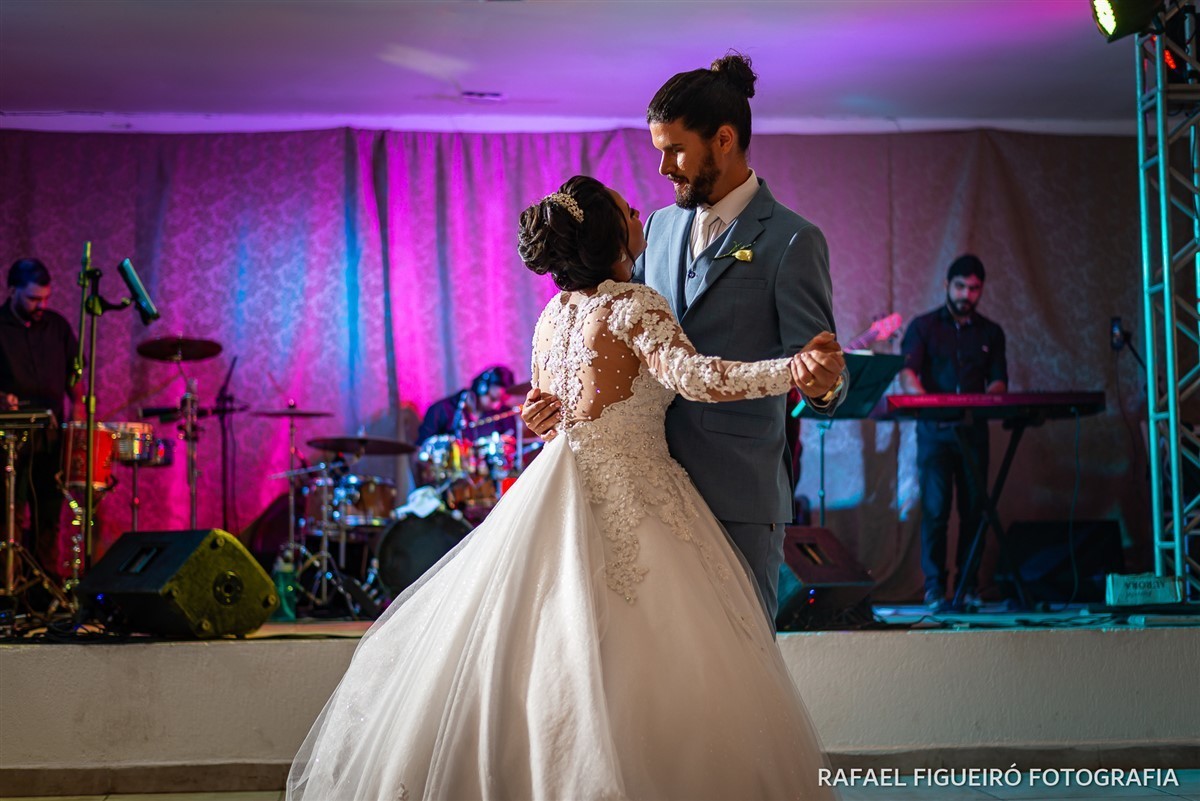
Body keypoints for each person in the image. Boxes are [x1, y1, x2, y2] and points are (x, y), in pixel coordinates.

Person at [287, 176, 835, 800]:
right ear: (609, 233)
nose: (641, 211)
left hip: (559, 483)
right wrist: (791, 369)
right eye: (628, 208)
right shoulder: (636, 306)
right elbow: (697, 378)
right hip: (636, 490)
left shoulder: (555, 312)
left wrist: (536, 411)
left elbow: (552, 402)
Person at [523, 53, 847, 623]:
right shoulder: (656, 227)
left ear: (723, 139)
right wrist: (557, 403)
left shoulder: (794, 241)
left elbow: (822, 369)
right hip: (647, 494)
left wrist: (820, 384)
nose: (663, 168)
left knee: (739, 669)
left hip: (738, 496)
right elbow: (622, 339)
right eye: (659, 152)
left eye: (674, 149)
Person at [898, 254, 1007, 612]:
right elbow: (907, 374)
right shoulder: (924, 327)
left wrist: (982, 403)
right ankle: (934, 589)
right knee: (936, 510)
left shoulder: (991, 332)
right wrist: (931, 403)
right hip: (935, 432)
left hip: (974, 431)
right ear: (947, 286)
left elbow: (999, 382)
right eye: (961, 286)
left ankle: (968, 587)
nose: (966, 294)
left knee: (975, 511)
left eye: (974, 288)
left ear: (981, 290)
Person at [0, 258, 83, 579]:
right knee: (11, 514)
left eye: (46, 298)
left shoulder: (57, 326)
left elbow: (75, 382)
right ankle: (10, 586)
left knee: (49, 514)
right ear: (13, 290)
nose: (41, 305)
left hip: (51, 440)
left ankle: (45, 586)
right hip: (9, 442)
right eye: (34, 299)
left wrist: (77, 416)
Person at [417, 364, 516, 443]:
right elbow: (421, 450)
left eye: (502, 400)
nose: (497, 405)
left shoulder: (505, 413)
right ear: (481, 388)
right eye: (493, 399)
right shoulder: (441, 410)